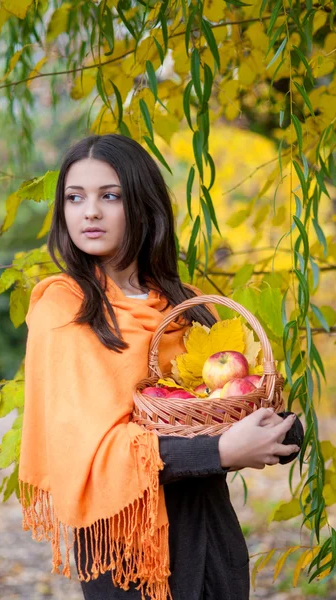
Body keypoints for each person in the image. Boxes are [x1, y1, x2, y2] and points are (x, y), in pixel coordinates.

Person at [18, 134, 304, 600]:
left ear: (143, 204)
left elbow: (229, 402)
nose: (89, 211)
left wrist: (280, 430)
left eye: (109, 196)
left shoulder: (185, 303)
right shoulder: (65, 308)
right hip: (128, 550)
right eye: (75, 198)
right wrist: (221, 451)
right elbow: (92, 449)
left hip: (210, 534)